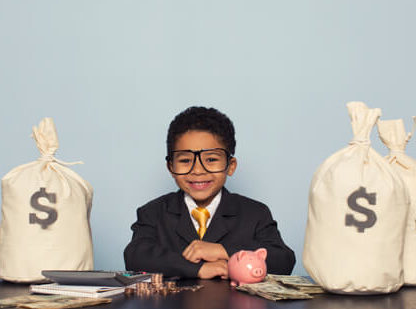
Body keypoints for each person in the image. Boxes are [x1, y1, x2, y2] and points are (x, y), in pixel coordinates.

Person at [124, 106, 296, 279]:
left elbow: (283, 260)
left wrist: (223, 251)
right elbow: (135, 256)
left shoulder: (255, 213)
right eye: (185, 160)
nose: (198, 170)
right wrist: (197, 269)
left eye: (211, 159)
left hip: (236, 306)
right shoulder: (153, 212)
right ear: (171, 167)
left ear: (231, 166)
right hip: (173, 305)